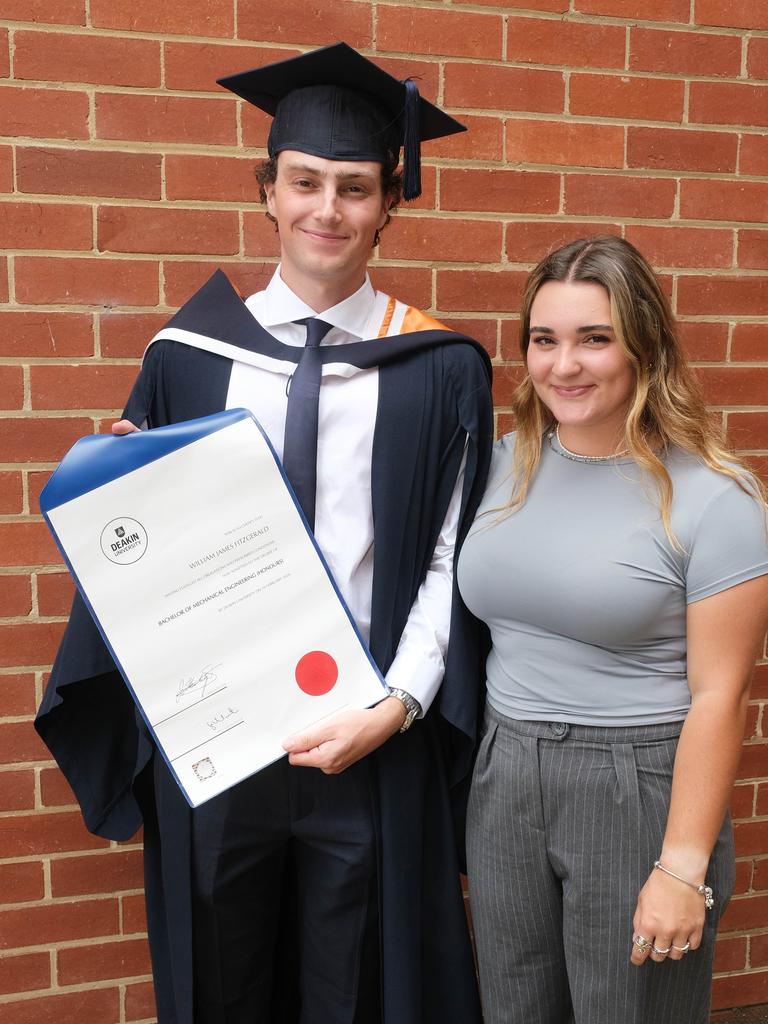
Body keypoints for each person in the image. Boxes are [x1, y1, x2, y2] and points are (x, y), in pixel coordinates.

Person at [36, 43, 492, 1024]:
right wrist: (119, 490)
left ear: (389, 204)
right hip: (217, 744)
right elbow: (140, 565)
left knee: (358, 991)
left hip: (368, 736)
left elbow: (452, 563)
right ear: (268, 192)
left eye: (356, 188)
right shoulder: (188, 360)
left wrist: (400, 703)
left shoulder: (442, 369)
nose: (329, 209)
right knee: (219, 988)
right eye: (306, 183)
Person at [457, 235, 768, 1024]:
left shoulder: (716, 498)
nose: (565, 365)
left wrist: (682, 865)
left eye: (595, 338)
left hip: (637, 786)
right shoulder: (501, 463)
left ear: (644, 345)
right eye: (544, 339)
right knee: (515, 1010)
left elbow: (721, 695)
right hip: (506, 772)